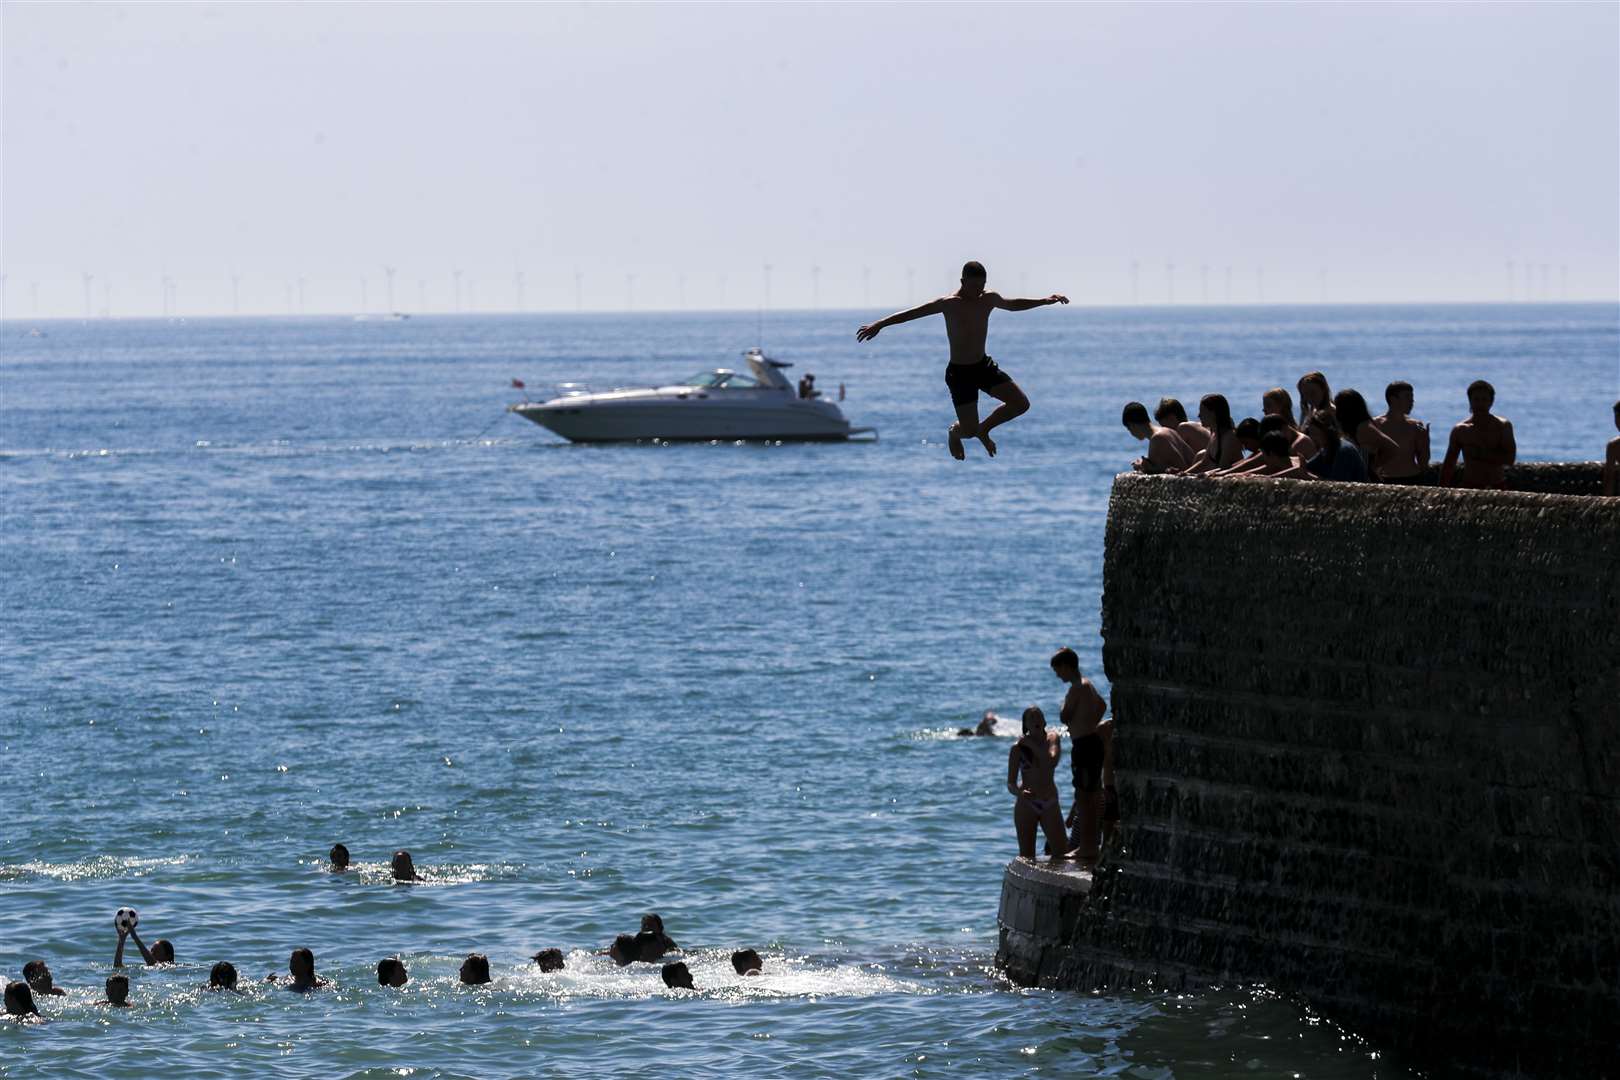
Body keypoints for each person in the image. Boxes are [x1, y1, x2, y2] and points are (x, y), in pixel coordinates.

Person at [856, 260, 1066, 460]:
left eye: (982, 285)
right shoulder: (949, 304)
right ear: (963, 282)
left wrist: (1044, 300)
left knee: (1021, 404)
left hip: (983, 367)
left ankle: (984, 429)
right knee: (968, 430)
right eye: (975, 286)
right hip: (960, 374)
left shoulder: (988, 298)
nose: (979, 291)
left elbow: (1013, 304)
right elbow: (913, 313)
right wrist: (880, 324)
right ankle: (954, 433)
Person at [1050, 647, 1112, 862]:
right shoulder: (1089, 685)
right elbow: (1103, 705)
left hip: (1084, 746)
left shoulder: (1077, 688)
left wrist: (1072, 713)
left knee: (1084, 798)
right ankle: (1090, 844)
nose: (1058, 676)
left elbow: (1064, 715)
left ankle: (1087, 846)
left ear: (1066, 666)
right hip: (1091, 742)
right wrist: (1091, 722)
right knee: (1091, 795)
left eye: (1058, 670)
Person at [1006, 706, 1070, 860]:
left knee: (1062, 852)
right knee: (1027, 856)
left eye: (1039, 716)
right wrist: (1020, 793)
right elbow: (1010, 783)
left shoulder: (1052, 738)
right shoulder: (1017, 749)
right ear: (1025, 725)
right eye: (1031, 718)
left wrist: (1031, 744)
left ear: (1044, 721)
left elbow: (1051, 761)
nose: (1036, 720)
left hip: (1049, 801)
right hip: (1026, 804)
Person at [1440, 380, 1516, 489]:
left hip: (1497, 485)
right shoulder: (1460, 430)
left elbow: (1510, 459)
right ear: (1470, 401)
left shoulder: (1502, 426)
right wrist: (1442, 491)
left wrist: (1482, 454)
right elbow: (1449, 465)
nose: (1480, 404)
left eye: (1484, 400)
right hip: (1470, 486)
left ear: (1491, 402)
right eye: (1476, 400)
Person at [1332, 389, 1402, 479]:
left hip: (1363, 478)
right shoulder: (1347, 427)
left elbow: (1393, 448)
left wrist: (1375, 466)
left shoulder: (1364, 427)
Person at [1372, 381, 1431, 483]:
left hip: (1412, 479)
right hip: (1385, 480)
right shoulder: (1376, 425)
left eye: (1412, 397)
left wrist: (1426, 441)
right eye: (1407, 397)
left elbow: (1424, 464)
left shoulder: (1415, 426)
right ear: (1393, 399)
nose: (1412, 401)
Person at [1121, 401, 1193, 474]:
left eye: (1129, 429)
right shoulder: (1168, 431)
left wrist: (1142, 467)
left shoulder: (1157, 438)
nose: (1131, 433)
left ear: (1133, 425)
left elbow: (1179, 468)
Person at [1181, 394, 1242, 474]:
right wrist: (1184, 473)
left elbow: (1223, 467)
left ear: (1213, 413)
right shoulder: (1214, 434)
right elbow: (1204, 462)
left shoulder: (1229, 436)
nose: (1199, 415)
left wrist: (1205, 474)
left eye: (1202, 411)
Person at [1303, 409, 1369, 482]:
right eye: (1311, 433)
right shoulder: (1325, 449)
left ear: (1327, 432)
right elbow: (1308, 467)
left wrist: (1308, 476)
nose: (1312, 437)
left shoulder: (1343, 450)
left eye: (1316, 433)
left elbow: (1337, 484)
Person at [1262, 387, 1315, 458]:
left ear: (1282, 406)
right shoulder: (1272, 432)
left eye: (1268, 405)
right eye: (1264, 406)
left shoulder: (1296, 437)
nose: (1264, 410)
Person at [1606, 401, 1620, 496]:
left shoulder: (1614, 446)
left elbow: (1609, 479)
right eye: (1617, 417)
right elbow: (1609, 478)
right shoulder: (1613, 446)